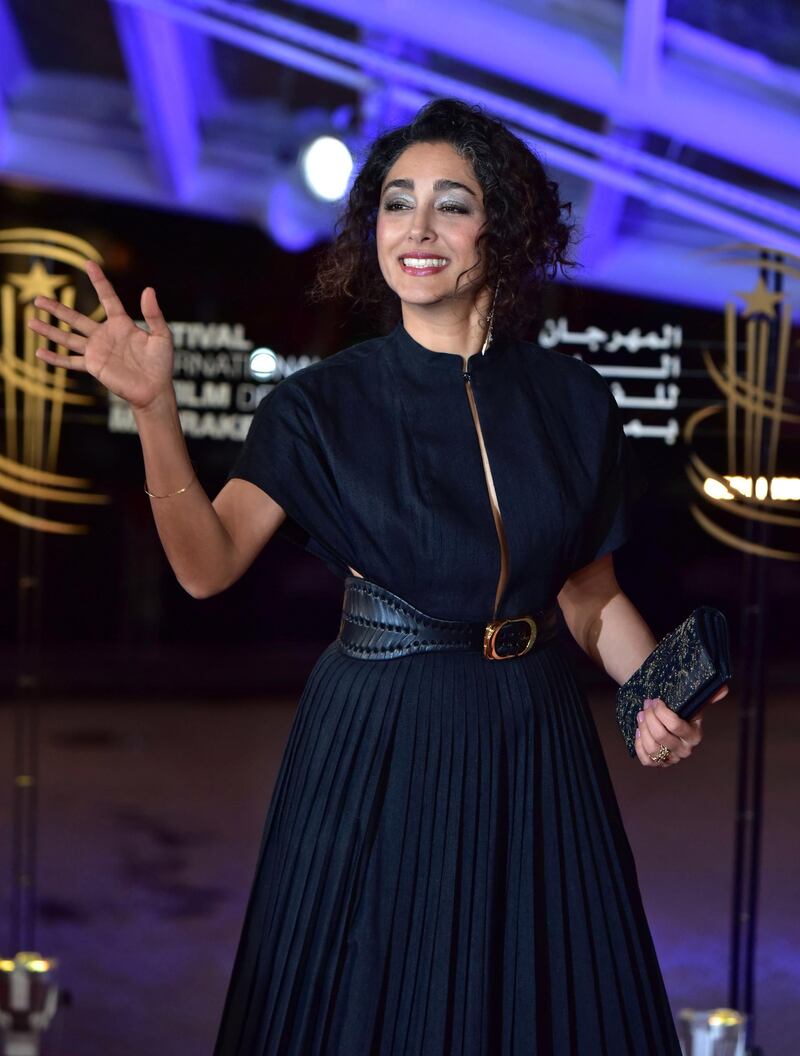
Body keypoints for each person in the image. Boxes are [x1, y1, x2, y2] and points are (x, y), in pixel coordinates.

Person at [29, 97, 728, 1055]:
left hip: (537, 740)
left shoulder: (573, 401)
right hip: (383, 740)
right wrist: (157, 415)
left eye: (452, 204)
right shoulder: (321, 405)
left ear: (505, 227)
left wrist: (654, 695)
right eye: (398, 204)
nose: (419, 230)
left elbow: (589, 596)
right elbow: (206, 564)